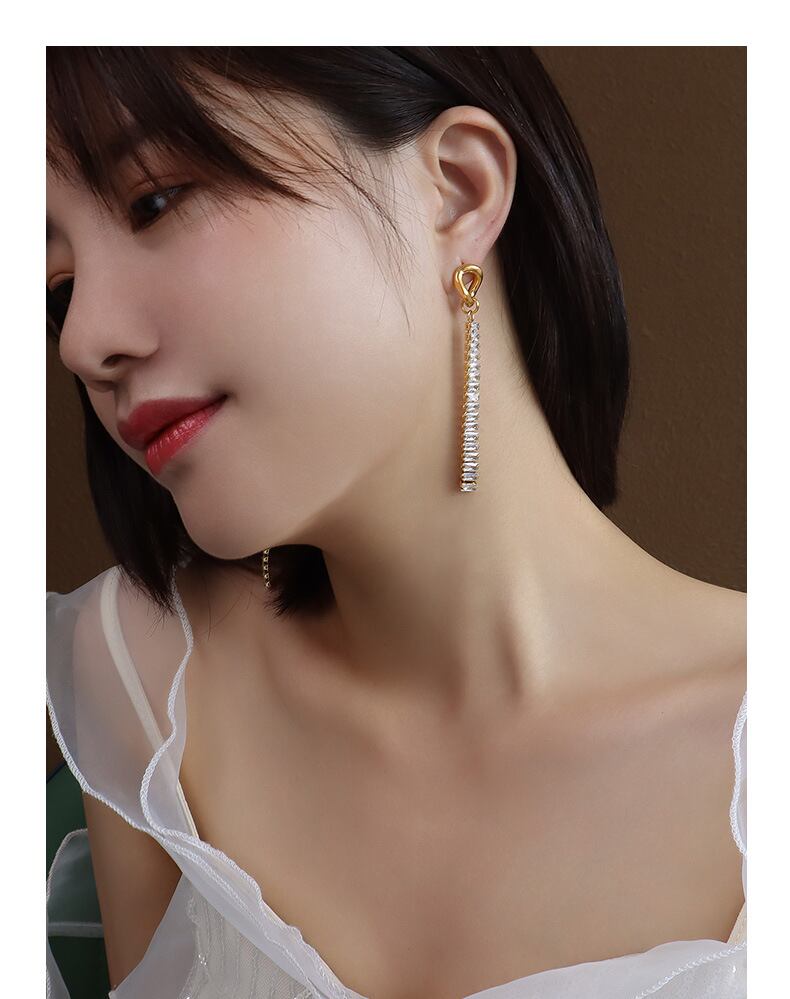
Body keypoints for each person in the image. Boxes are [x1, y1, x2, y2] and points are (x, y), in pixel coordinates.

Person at [46, 47, 746, 999]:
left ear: (458, 189)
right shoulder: (144, 682)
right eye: (58, 288)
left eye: (155, 201)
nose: (83, 339)